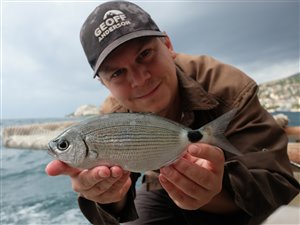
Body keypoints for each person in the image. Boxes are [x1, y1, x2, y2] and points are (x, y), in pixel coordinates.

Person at [45, 1, 299, 225]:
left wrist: (215, 191)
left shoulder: (228, 86)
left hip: (238, 209)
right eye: (117, 73)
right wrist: (109, 199)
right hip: (162, 191)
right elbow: (112, 201)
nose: (139, 79)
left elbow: (280, 184)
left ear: (168, 45)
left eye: (145, 54)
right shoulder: (112, 116)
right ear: (104, 83)